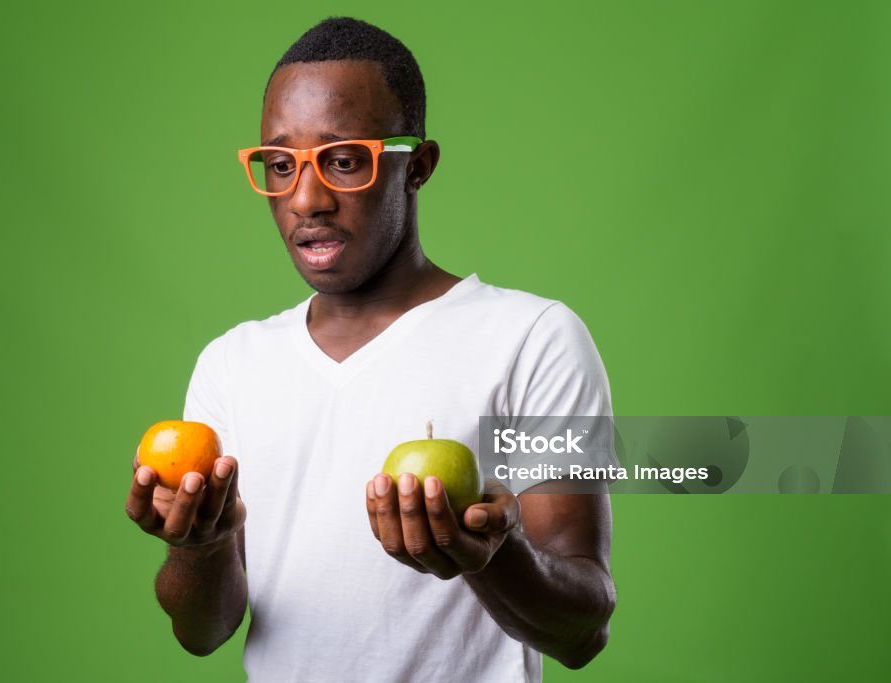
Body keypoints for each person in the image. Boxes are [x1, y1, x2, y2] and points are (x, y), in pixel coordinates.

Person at [125, 17, 616, 682]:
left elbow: (585, 630)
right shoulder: (231, 365)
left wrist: (494, 557)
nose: (306, 199)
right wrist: (200, 546)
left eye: (344, 160)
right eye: (280, 164)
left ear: (416, 166)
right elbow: (202, 631)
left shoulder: (533, 340)